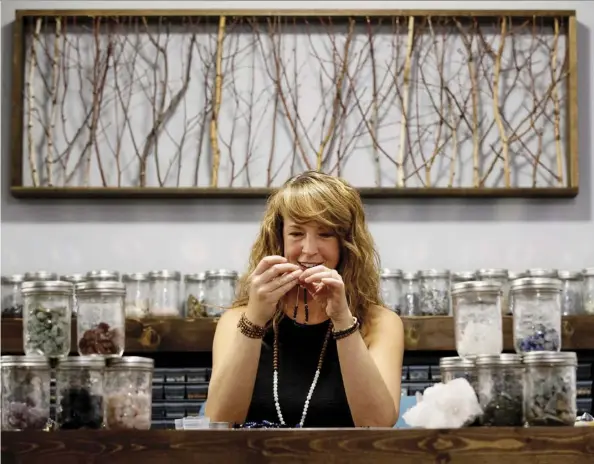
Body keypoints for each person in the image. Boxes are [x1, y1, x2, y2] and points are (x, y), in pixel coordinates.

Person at [205, 171, 404, 428]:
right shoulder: (235, 321)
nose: (309, 250)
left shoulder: (380, 323)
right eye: (296, 233)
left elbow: (378, 424)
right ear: (279, 239)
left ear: (347, 243)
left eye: (325, 234)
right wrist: (255, 318)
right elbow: (218, 422)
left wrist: (343, 320)